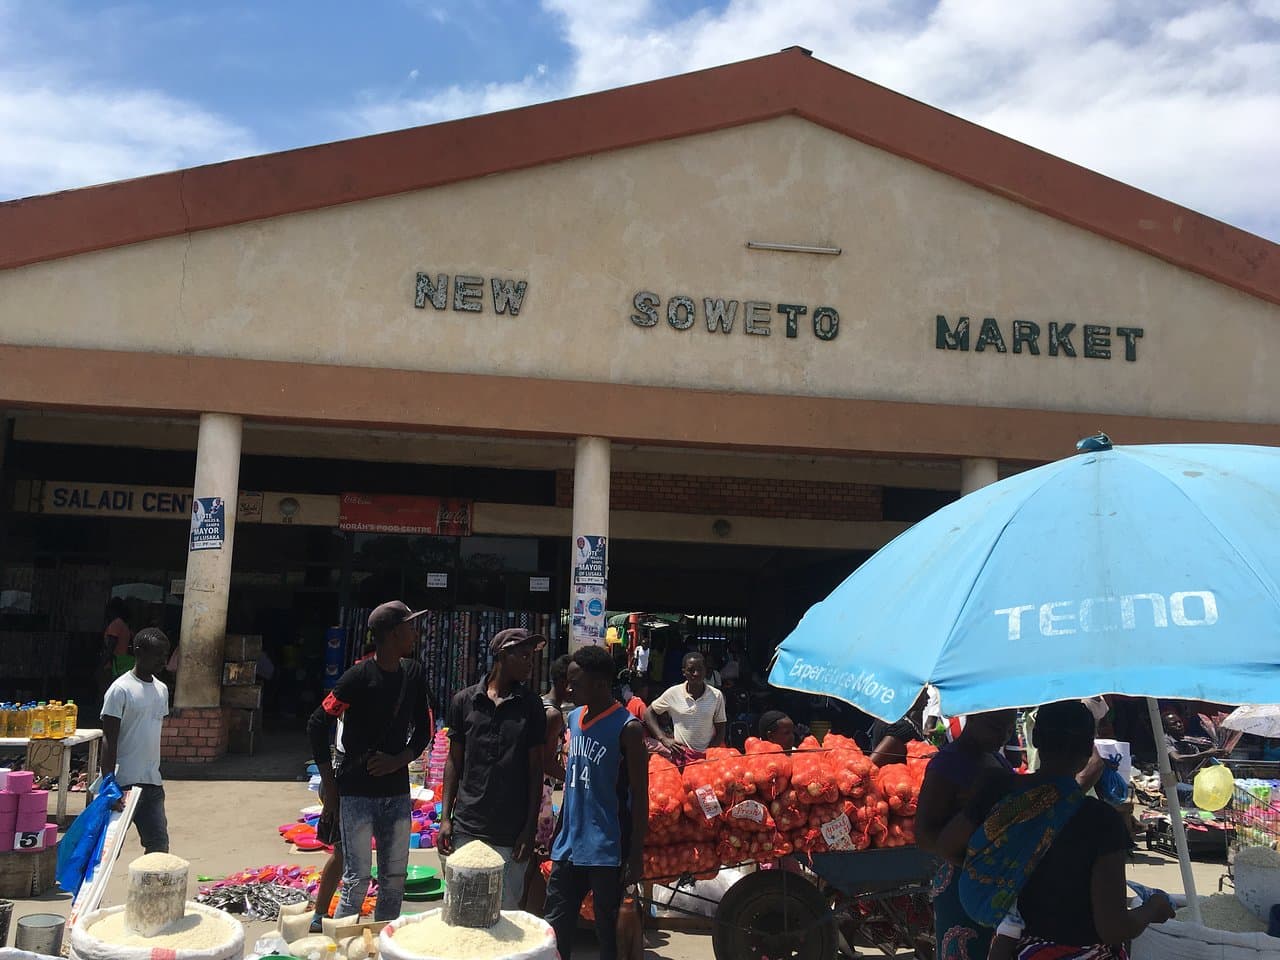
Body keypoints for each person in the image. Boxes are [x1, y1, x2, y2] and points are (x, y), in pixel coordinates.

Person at [939, 701, 1175, 958]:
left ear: (1036, 738)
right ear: (1089, 748)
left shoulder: (998, 791)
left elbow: (946, 846)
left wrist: (1000, 876)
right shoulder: (1099, 820)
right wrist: (1153, 908)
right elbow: (1113, 928)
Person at [307, 601, 434, 921]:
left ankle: (382, 947)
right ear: (393, 634)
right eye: (409, 626)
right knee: (357, 880)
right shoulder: (357, 677)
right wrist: (330, 784)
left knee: (394, 881)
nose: (415, 634)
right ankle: (342, 947)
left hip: (396, 792)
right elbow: (318, 723)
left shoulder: (413, 674)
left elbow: (424, 730)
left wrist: (399, 760)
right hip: (356, 793)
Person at [545, 645, 648, 960]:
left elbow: (640, 796)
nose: (569, 688)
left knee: (607, 934)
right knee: (554, 928)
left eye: (576, 682)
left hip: (605, 849)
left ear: (600, 684)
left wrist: (635, 855)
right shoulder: (574, 718)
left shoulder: (628, 728)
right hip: (567, 846)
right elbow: (574, 783)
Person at [440, 628, 547, 908]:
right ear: (502, 655)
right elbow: (454, 762)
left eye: (531, 657)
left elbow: (537, 771)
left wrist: (529, 828)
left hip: (511, 834)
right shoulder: (465, 701)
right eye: (523, 655)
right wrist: (445, 819)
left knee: (505, 914)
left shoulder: (532, 706)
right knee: (462, 909)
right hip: (467, 825)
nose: (529, 663)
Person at [915, 709, 1017, 960]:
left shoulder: (996, 759)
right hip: (959, 884)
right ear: (971, 718)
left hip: (995, 884)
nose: (1004, 735)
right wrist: (974, 864)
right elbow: (924, 836)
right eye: (996, 726)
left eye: (1009, 728)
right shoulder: (947, 764)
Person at [100, 627, 172, 854]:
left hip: (152, 783)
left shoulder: (161, 690)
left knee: (158, 846)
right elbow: (108, 739)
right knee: (108, 850)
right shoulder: (120, 689)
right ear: (138, 652)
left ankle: (153, 890)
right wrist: (109, 783)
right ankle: (90, 890)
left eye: (165, 654)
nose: (163, 660)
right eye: (157, 654)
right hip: (123, 784)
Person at [644, 652, 727, 760]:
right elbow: (648, 713)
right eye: (691, 670)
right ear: (684, 672)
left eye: (700, 669)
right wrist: (662, 738)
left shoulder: (716, 696)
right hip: (681, 756)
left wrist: (709, 753)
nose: (696, 673)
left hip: (707, 757)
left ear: (705, 670)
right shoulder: (673, 693)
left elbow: (721, 730)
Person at [868, 689, 928, 767]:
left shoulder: (889, 716)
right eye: (924, 693)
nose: (928, 697)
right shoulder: (902, 727)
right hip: (892, 777)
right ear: (911, 695)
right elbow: (873, 764)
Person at [103, 597, 134, 682]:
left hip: (113, 665)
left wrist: (102, 663)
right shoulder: (125, 625)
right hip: (123, 664)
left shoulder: (115, 625)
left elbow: (111, 647)